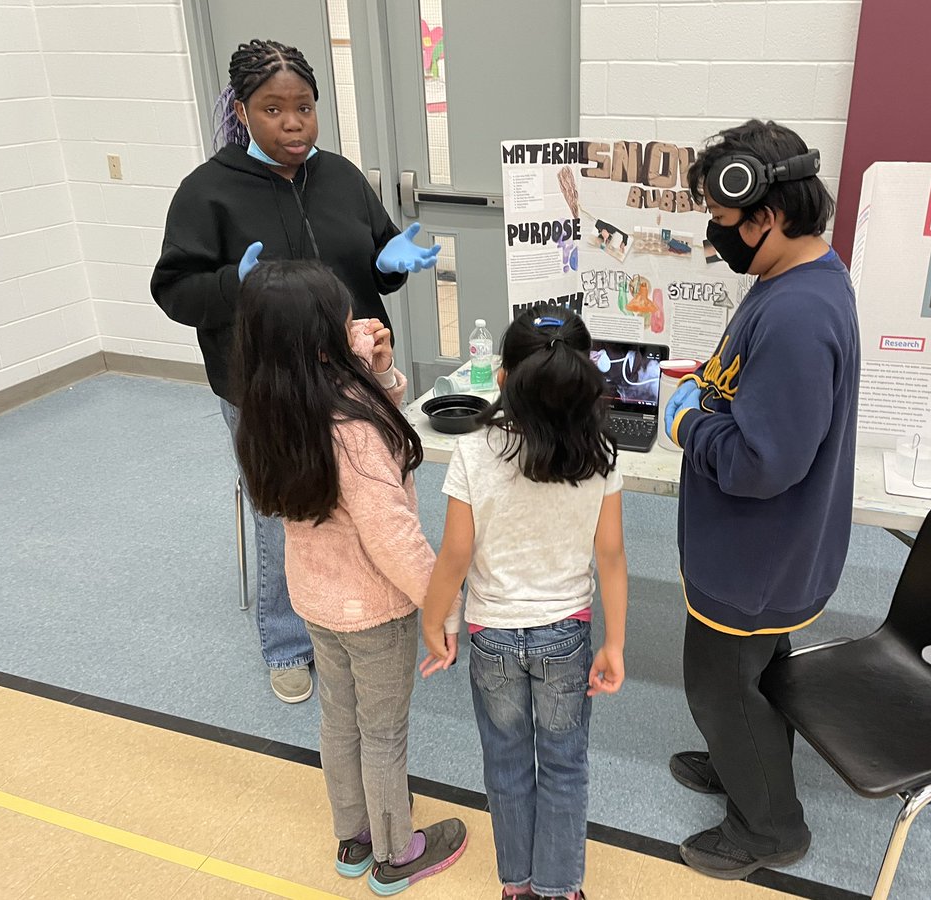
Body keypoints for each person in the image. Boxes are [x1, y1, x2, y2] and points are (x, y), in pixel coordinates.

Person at [151, 39, 440, 703]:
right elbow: (174, 292)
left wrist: (389, 264)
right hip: (266, 387)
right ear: (242, 111)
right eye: (273, 108)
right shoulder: (207, 193)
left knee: (372, 495)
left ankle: (370, 608)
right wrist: (233, 282)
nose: (292, 123)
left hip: (354, 377)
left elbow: (369, 266)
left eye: (304, 107)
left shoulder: (339, 176)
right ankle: (286, 642)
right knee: (284, 507)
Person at [662, 120, 860, 880]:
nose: (715, 239)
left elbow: (759, 465)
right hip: (765, 552)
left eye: (720, 222)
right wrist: (704, 386)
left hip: (755, 556)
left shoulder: (799, 314)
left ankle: (769, 827)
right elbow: (759, 402)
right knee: (755, 676)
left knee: (720, 687)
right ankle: (748, 766)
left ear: (766, 216)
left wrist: (686, 423)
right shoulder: (791, 282)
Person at [232, 258, 466, 895]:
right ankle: (395, 853)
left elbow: (364, 420)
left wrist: (378, 370)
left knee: (339, 721)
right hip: (375, 606)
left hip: (315, 598)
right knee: (384, 732)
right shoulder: (352, 426)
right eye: (343, 320)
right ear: (320, 341)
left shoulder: (271, 404)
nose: (355, 324)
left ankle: (353, 836)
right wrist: (441, 606)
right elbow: (392, 535)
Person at [420, 307, 629, 900]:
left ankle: (518, 887)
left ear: (505, 378)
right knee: (565, 764)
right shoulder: (601, 453)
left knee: (506, 766)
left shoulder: (477, 451)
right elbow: (611, 558)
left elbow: (454, 557)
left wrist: (436, 621)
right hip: (567, 634)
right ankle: (562, 889)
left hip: (493, 639)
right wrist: (613, 643)